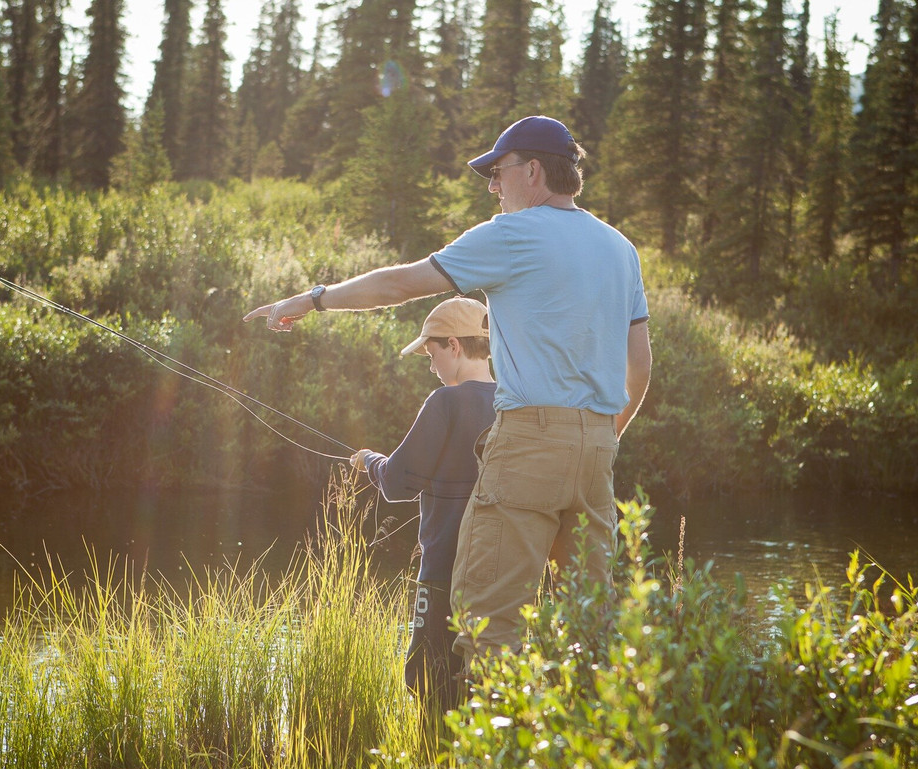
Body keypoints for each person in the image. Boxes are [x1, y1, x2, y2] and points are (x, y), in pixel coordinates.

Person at [244, 115, 652, 667]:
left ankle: (487, 754)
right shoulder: (621, 249)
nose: (492, 186)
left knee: (486, 624)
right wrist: (601, 437)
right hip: (599, 449)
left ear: (533, 171)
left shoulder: (513, 233)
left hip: (528, 443)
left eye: (497, 172)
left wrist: (313, 299)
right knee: (590, 629)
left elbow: (402, 283)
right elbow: (641, 370)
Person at [349, 296, 496, 709]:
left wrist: (369, 461)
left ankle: (432, 767)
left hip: (442, 573)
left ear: (454, 346)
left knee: (429, 682)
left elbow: (396, 483)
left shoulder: (445, 401)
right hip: (499, 575)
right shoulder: (513, 402)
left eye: (432, 354)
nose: (432, 367)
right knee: (484, 686)